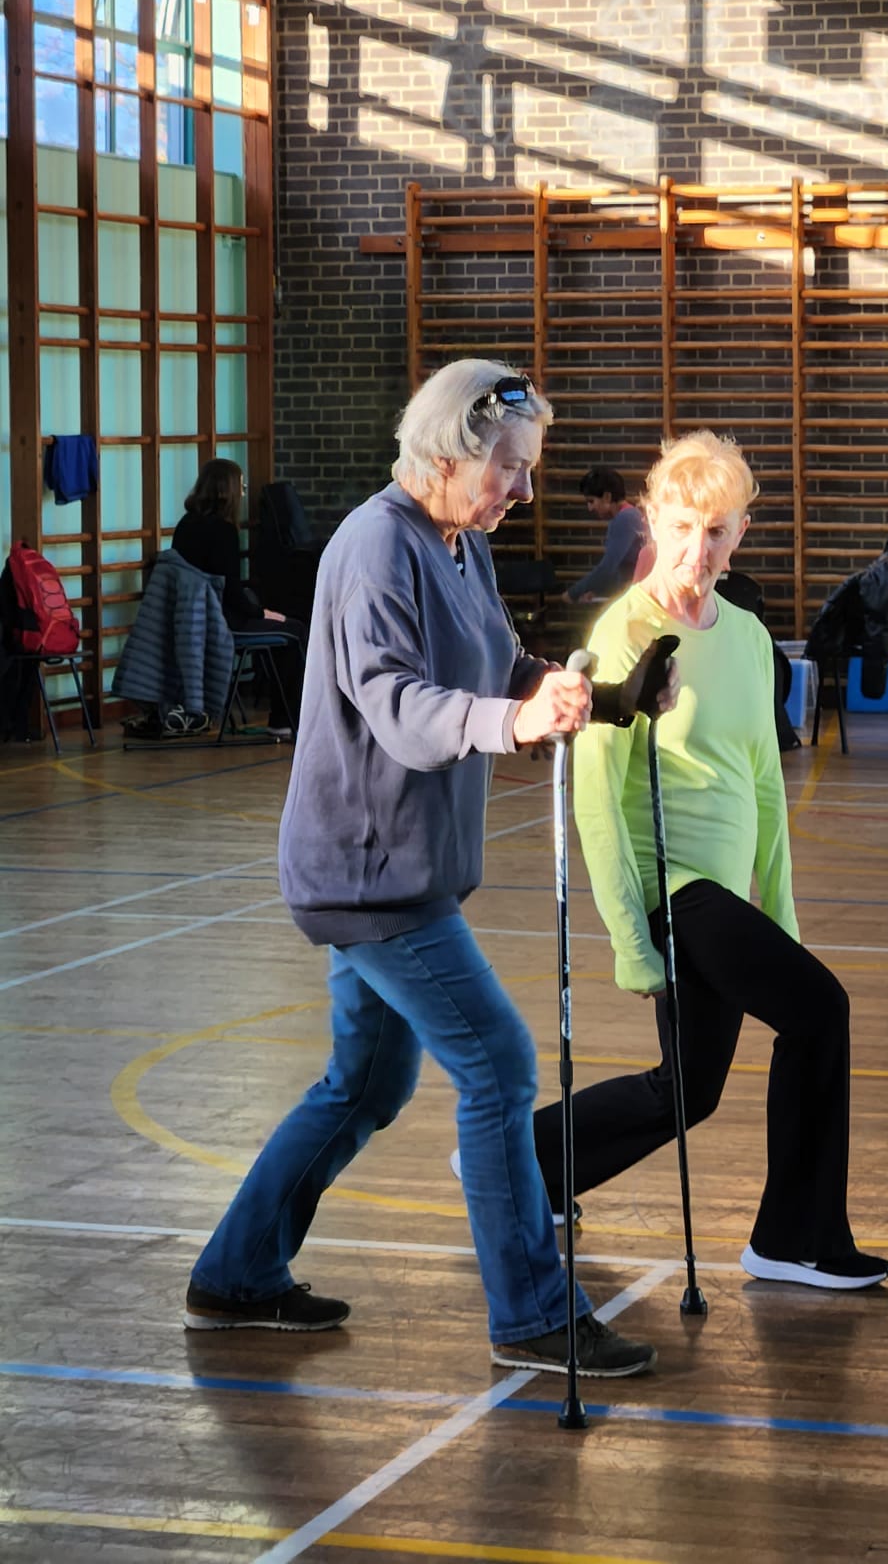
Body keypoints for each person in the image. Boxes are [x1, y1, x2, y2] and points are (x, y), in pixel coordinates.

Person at [184, 359, 670, 1378]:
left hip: (405, 866)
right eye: (512, 467)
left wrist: (605, 695)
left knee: (366, 1080)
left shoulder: (458, 544)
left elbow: (496, 667)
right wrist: (511, 720)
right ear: (451, 451)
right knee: (497, 1064)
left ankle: (235, 1274)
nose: (526, 490)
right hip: (370, 873)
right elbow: (400, 705)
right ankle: (534, 1310)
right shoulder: (374, 547)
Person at [532, 430, 888, 1291]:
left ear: (741, 535)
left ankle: (525, 1164)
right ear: (653, 520)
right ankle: (795, 1239)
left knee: (687, 1092)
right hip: (672, 888)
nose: (702, 550)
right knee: (819, 1011)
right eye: (686, 526)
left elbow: (766, 784)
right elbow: (596, 800)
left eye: (721, 530)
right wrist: (630, 938)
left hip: (728, 894)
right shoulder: (624, 633)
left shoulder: (751, 639)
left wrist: (783, 914)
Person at [171, 458, 303, 733]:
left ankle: (286, 717)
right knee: (295, 630)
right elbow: (231, 592)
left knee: (284, 626)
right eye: (240, 486)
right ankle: (285, 719)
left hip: (194, 619)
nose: (243, 492)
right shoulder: (223, 531)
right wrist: (262, 612)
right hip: (222, 620)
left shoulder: (185, 525)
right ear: (227, 490)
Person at [564, 465, 647, 605]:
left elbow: (608, 567)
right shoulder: (630, 516)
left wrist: (573, 593)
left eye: (591, 501)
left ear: (607, 497)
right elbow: (619, 569)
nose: (590, 508)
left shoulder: (625, 519)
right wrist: (598, 591)